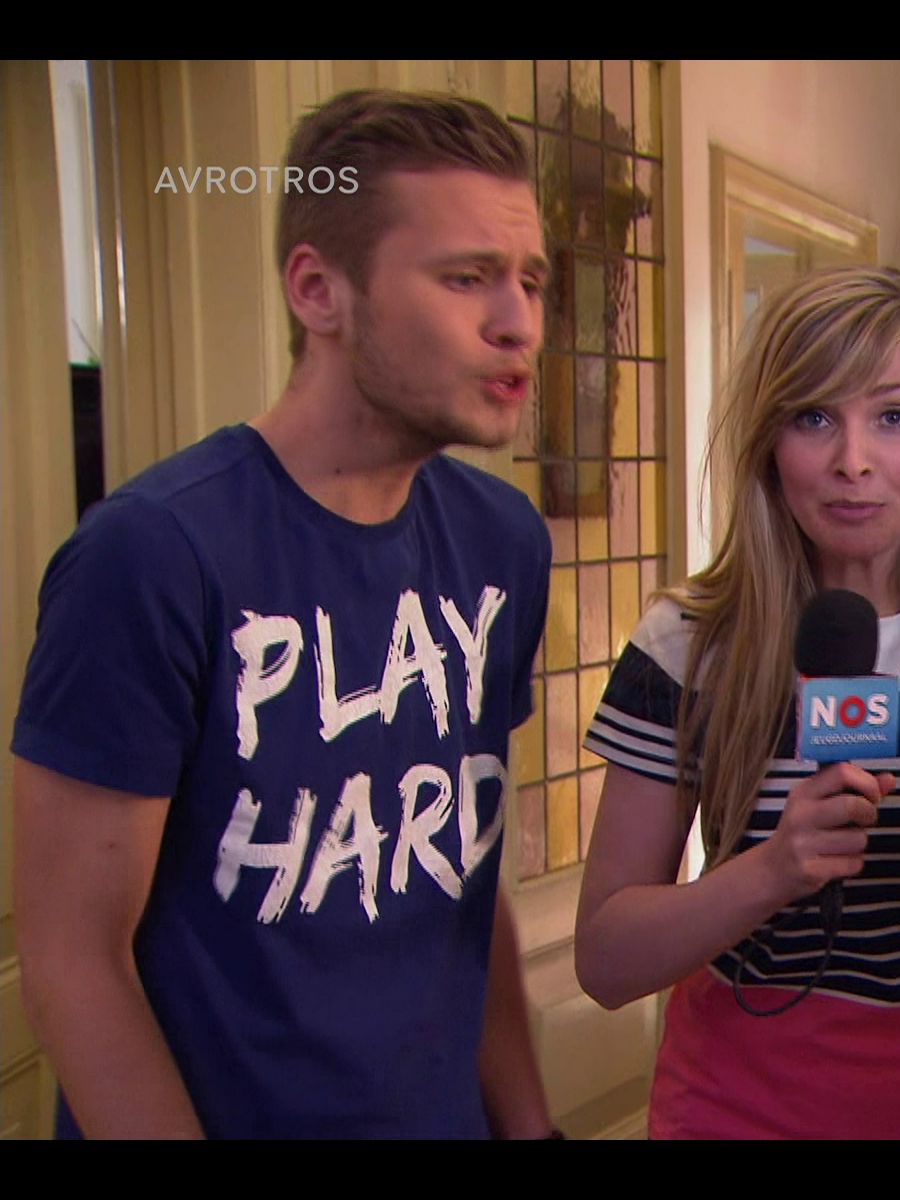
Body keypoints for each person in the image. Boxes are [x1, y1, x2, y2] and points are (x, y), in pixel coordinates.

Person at [11, 89, 556, 1139]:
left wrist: (532, 1128)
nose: (518, 323)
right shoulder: (151, 555)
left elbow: (462, 870)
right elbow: (73, 962)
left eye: (530, 281)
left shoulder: (502, 542)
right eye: (466, 278)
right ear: (319, 291)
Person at [574, 265, 900, 1139]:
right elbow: (605, 961)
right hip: (732, 1114)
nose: (852, 461)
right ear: (769, 442)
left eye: (893, 417)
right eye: (814, 418)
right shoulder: (689, 642)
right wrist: (770, 871)